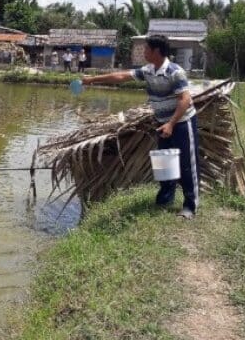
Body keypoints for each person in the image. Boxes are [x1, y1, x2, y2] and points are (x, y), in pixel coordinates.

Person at [81, 35, 199, 219]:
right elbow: (121, 76)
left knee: (187, 165)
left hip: (182, 122)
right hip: (163, 123)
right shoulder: (148, 70)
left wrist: (171, 123)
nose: (143, 52)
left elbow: (185, 100)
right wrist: (93, 80)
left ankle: (190, 206)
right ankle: (165, 199)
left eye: (146, 49)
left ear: (157, 51)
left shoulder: (175, 72)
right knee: (165, 161)